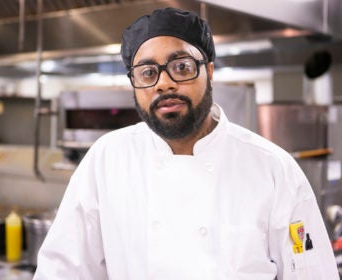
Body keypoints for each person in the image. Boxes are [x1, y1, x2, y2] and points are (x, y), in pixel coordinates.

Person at [33, 7, 339, 280]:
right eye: (148, 72)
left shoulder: (273, 168)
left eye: (181, 66)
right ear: (134, 84)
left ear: (208, 71)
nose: (164, 83)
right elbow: (61, 271)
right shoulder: (107, 160)